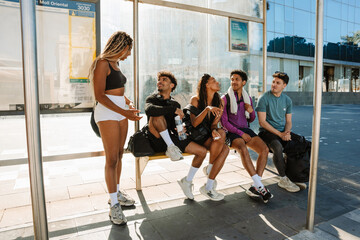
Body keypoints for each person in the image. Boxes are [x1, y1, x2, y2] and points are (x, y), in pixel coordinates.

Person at [89, 31, 142, 225]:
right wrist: (125, 111)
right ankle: (113, 205)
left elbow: (115, 89)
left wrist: (126, 102)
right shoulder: (102, 63)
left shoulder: (115, 64)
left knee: (119, 155)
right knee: (111, 158)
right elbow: (100, 95)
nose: (128, 55)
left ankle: (117, 193)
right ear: (120, 46)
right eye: (128, 50)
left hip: (120, 111)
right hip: (107, 113)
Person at [221, 70, 272, 203]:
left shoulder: (247, 98)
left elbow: (251, 119)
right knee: (243, 148)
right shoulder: (225, 98)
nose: (233, 82)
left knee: (264, 150)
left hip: (245, 129)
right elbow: (224, 122)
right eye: (232, 79)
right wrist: (240, 134)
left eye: (237, 79)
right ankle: (261, 186)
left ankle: (255, 186)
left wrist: (251, 111)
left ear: (243, 82)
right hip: (231, 132)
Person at [255, 71, 307, 193]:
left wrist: (287, 132)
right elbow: (262, 122)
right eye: (273, 82)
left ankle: (294, 176)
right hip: (266, 132)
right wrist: (280, 135)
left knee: (301, 143)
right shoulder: (264, 98)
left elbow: (288, 121)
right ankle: (283, 179)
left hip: (282, 131)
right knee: (277, 147)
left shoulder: (287, 100)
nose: (274, 85)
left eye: (278, 83)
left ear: (284, 85)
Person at [185, 73, 229, 201]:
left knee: (223, 140)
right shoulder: (196, 100)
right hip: (196, 136)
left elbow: (214, 124)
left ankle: (208, 184)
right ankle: (210, 176)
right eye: (214, 80)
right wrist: (207, 109)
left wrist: (214, 130)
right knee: (223, 142)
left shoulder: (220, 102)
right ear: (206, 85)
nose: (218, 82)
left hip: (208, 136)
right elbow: (194, 123)